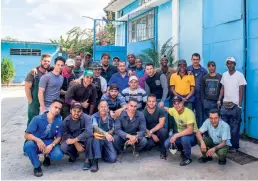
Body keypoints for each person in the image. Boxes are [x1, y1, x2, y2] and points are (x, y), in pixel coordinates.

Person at [23, 99, 64, 177]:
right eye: (55, 107)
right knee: (28, 145)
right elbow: (26, 135)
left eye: (59, 109)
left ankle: (47, 156)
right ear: (50, 106)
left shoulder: (59, 121)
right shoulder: (37, 119)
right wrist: (37, 140)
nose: (57, 110)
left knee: (58, 155)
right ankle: (37, 166)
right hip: (36, 142)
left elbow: (59, 137)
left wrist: (52, 145)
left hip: (49, 142)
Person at [217, 57, 247, 153]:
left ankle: (234, 146)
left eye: (232, 63)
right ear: (227, 65)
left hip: (235, 105)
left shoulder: (240, 75)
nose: (230, 65)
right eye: (228, 63)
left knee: (235, 128)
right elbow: (222, 88)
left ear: (235, 64)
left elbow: (241, 91)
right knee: (224, 127)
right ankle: (225, 144)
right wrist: (219, 100)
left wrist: (239, 105)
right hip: (225, 105)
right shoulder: (224, 75)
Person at [61, 102, 99, 172]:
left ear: (82, 111)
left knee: (90, 138)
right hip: (73, 140)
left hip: (84, 140)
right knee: (63, 146)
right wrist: (75, 143)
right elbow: (65, 134)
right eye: (74, 111)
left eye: (79, 111)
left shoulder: (87, 117)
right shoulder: (66, 120)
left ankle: (88, 159)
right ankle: (74, 155)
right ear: (70, 111)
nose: (76, 113)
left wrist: (75, 139)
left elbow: (89, 131)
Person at [164, 96, 198, 166]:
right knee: (167, 144)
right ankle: (183, 150)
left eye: (179, 103)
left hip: (192, 136)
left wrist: (175, 135)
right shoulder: (173, 110)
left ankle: (187, 158)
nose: (177, 105)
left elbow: (190, 130)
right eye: (175, 103)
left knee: (184, 139)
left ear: (182, 103)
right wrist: (157, 106)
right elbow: (166, 109)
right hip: (181, 134)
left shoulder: (189, 113)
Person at [25, 54, 51, 126]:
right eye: (45, 61)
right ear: (41, 61)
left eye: (48, 61)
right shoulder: (33, 73)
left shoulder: (48, 73)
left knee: (42, 123)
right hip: (35, 102)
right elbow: (27, 87)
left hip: (44, 101)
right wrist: (31, 101)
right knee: (32, 122)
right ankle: (28, 137)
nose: (47, 63)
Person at [143, 94, 168, 159]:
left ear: (156, 102)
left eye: (153, 101)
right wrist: (152, 135)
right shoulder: (143, 112)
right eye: (149, 101)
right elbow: (142, 126)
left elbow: (161, 124)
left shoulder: (160, 110)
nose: (151, 103)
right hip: (148, 133)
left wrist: (151, 132)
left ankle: (163, 151)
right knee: (148, 146)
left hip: (158, 131)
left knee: (163, 131)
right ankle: (157, 143)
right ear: (147, 102)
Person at [187, 53, 208, 127]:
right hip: (189, 96)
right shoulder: (187, 69)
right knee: (189, 114)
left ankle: (200, 131)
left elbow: (206, 84)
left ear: (199, 60)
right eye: (194, 59)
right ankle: (189, 130)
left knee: (200, 114)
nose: (195, 61)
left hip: (200, 96)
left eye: (197, 59)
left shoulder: (204, 71)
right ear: (191, 60)